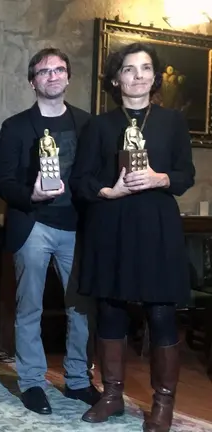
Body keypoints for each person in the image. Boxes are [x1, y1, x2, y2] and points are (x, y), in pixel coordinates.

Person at [70, 42, 195, 432]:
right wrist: (109, 191)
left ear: (155, 77)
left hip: (157, 226)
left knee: (160, 314)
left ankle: (163, 403)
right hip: (112, 224)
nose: (137, 76)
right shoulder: (98, 125)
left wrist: (162, 178)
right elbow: (80, 180)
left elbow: (185, 175)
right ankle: (111, 395)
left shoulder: (172, 122)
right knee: (110, 310)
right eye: (129, 69)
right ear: (115, 77)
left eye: (145, 69)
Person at [0, 47, 100, 415]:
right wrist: (31, 193)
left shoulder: (89, 124)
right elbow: (3, 181)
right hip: (34, 223)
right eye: (43, 71)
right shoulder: (16, 126)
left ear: (68, 77)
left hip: (77, 227)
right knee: (30, 308)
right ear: (32, 80)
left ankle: (77, 380)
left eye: (58, 70)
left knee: (82, 309)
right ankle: (33, 383)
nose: (52, 76)